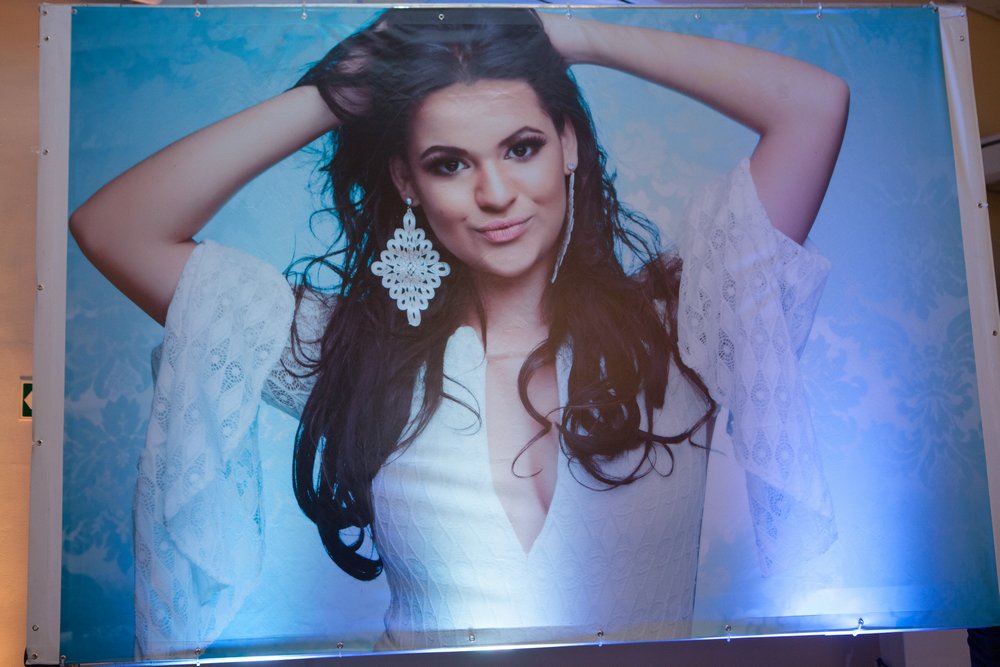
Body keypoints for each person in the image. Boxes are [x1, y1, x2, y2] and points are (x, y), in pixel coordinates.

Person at [69, 7, 848, 658]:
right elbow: (115, 229)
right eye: (449, 163)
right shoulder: (358, 354)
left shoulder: (681, 324)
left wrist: (571, 35)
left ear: (569, 145)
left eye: (521, 147)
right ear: (407, 181)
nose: (496, 192)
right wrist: (339, 89)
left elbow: (813, 106)